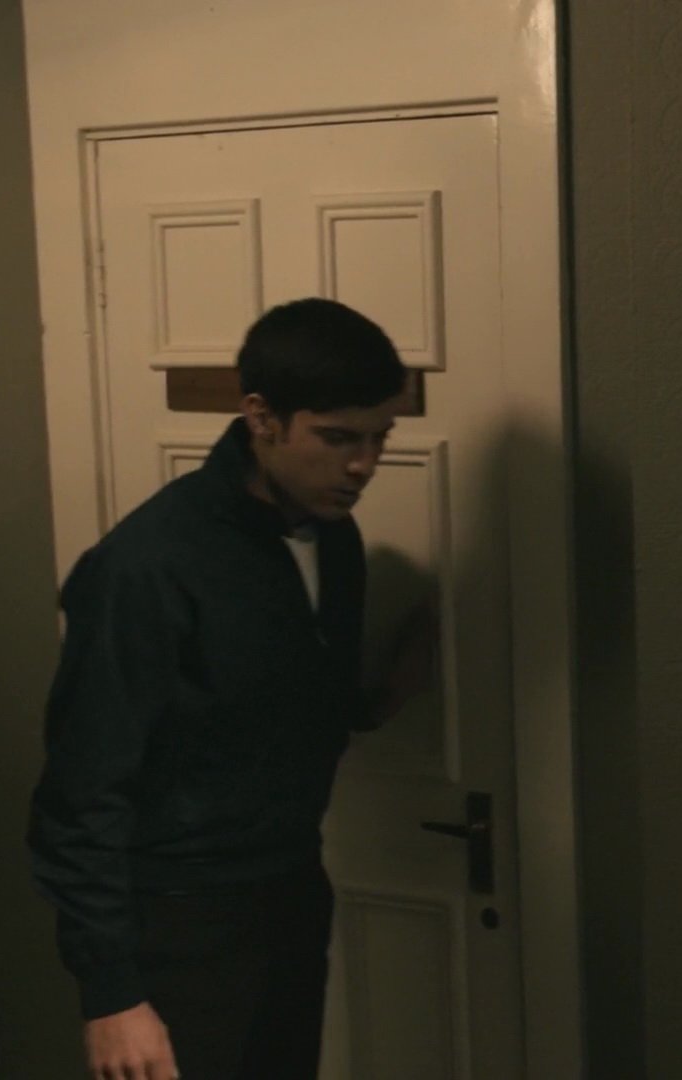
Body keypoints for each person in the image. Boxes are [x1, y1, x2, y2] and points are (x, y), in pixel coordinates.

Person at [28, 297, 437, 1080]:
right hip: (176, 920)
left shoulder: (334, 535)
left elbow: (276, 704)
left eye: (380, 437)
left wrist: (384, 694)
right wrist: (111, 995)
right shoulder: (148, 566)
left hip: (290, 893)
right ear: (261, 417)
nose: (363, 464)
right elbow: (80, 796)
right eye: (338, 438)